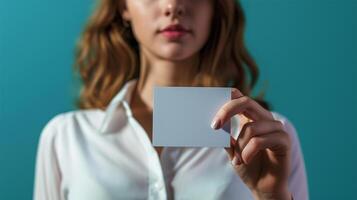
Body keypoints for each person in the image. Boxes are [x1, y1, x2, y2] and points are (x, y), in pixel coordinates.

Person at [33, 0, 308, 199]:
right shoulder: (65, 137)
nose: (173, 6)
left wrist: (272, 196)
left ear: (215, 8)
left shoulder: (268, 139)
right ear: (123, 7)